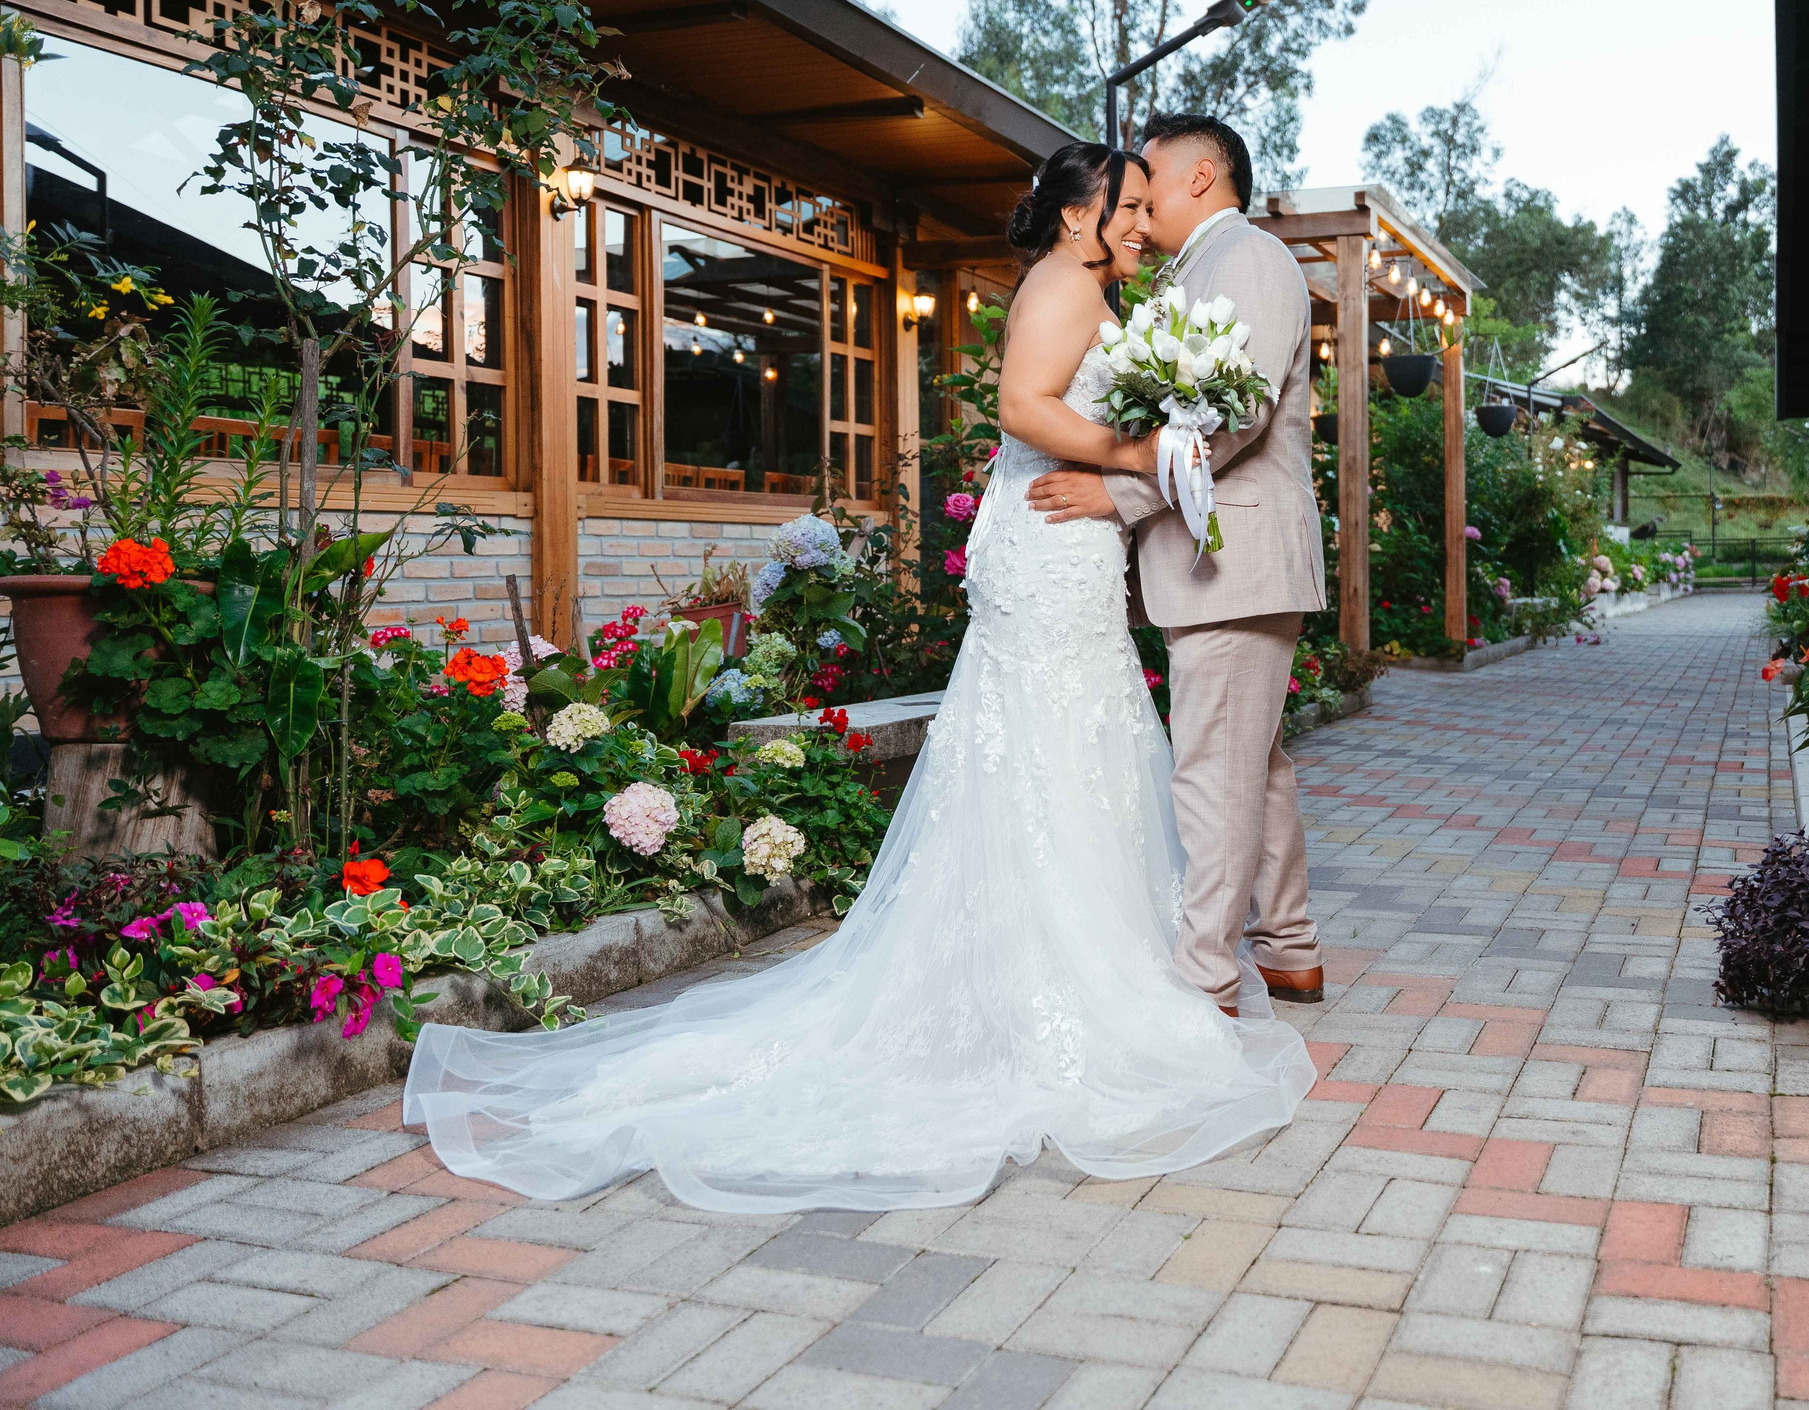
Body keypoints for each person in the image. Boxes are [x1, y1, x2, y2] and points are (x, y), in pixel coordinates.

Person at [400, 141, 1313, 1212]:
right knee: (1058, 752)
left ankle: (1098, 959)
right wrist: (1130, 459)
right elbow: (1025, 408)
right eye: (1122, 199)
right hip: (1054, 550)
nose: (1136, 214)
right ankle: (1071, 977)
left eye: (1145, 196)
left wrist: (1133, 464)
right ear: (1076, 216)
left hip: (1076, 555)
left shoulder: (1133, 281)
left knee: (1085, 754)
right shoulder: (1067, 286)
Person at [1027, 113, 1329, 1016]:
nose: (1135, 188)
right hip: (1214, 565)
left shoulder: (1250, 261)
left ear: (1199, 176)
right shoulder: (1193, 271)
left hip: (1234, 563)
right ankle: (1289, 947)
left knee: (1212, 772)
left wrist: (1113, 497)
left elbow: (1230, 421)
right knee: (1252, 766)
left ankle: (1204, 976)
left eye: (1147, 172)